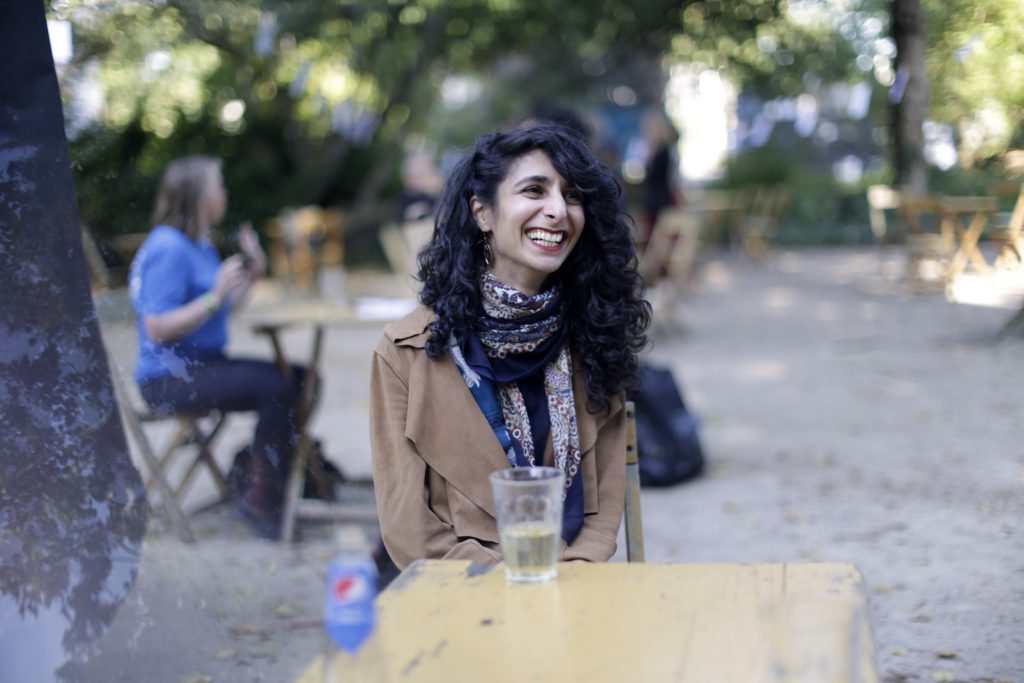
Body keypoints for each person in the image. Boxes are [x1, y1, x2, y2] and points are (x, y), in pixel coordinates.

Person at [370, 125, 651, 568]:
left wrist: (569, 580)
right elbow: (408, 528)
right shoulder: (406, 352)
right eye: (534, 190)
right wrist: (516, 583)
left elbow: (602, 514)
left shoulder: (597, 336)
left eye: (573, 195)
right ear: (483, 212)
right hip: (462, 597)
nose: (558, 209)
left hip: (577, 590)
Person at [129, 155, 304, 539]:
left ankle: (262, 474)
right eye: (218, 187)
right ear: (196, 197)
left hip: (204, 366)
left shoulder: (199, 245)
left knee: (300, 377)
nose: (224, 194)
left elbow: (223, 305)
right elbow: (157, 327)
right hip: (168, 378)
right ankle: (261, 494)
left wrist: (252, 271)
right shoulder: (169, 248)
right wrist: (215, 295)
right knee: (279, 384)